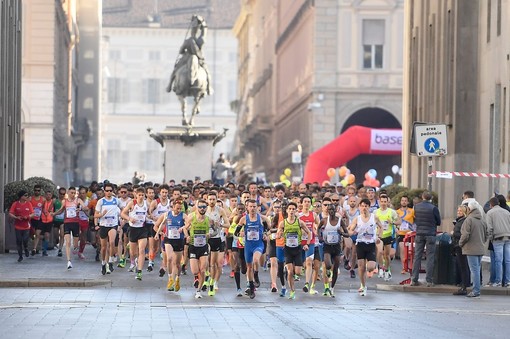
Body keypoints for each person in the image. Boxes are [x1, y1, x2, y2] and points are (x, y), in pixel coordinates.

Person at [167, 15, 212, 95]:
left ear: (191, 31)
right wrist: (202, 21)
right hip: (199, 59)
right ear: (198, 30)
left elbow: (181, 51)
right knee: (207, 72)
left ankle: (170, 85)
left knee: (175, 70)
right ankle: (209, 88)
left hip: (186, 58)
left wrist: (185, 51)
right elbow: (204, 31)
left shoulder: (187, 41)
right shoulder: (200, 40)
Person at [276, 202, 312, 300]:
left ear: (296, 211)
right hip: (287, 249)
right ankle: (292, 291)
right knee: (290, 272)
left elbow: (309, 233)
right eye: (290, 209)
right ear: (287, 210)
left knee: (298, 272)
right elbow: (279, 234)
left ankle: (291, 270)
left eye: (293, 209)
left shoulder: (299, 222)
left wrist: (307, 244)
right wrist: (278, 235)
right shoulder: (283, 223)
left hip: (298, 249)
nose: (291, 211)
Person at [348, 198, 383, 296]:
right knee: (361, 267)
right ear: (359, 207)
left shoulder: (374, 217)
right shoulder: (357, 219)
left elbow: (381, 227)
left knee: (370, 267)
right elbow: (350, 230)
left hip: (371, 244)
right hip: (360, 244)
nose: (364, 208)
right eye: (362, 206)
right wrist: (353, 232)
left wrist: (379, 237)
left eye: (366, 206)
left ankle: (373, 266)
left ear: (369, 207)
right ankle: (363, 286)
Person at [154, 198, 187, 292]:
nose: (179, 210)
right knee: (169, 259)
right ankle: (170, 278)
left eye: (180, 208)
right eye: (177, 208)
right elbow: (161, 224)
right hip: (168, 239)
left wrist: (183, 227)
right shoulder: (167, 214)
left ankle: (177, 278)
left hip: (179, 240)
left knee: (177, 263)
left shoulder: (183, 215)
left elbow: (189, 223)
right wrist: (158, 233)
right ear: (172, 207)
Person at [53, 187, 89, 269]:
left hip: (76, 223)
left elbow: (85, 208)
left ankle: (76, 247)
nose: (73, 194)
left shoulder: (78, 200)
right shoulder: (64, 201)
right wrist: (54, 214)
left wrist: (81, 208)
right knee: (68, 242)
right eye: (71, 193)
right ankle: (69, 261)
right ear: (68, 193)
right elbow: (62, 210)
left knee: (75, 244)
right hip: (67, 223)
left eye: (74, 193)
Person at [410, 191, 441, 287]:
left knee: (417, 256)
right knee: (430, 257)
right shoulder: (434, 208)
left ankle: (414, 279)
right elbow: (438, 222)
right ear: (430, 198)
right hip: (430, 234)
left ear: (422, 197)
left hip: (419, 233)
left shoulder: (416, 207)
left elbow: (414, 219)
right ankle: (429, 280)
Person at [183, 199, 212, 299]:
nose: (202, 209)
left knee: (203, 269)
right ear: (197, 207)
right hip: (193, 246)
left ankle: (198, 290)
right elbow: (184, 228)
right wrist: (187, 236)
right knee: (195, 271)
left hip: (203, 246)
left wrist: (210, 234)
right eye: (200, 207)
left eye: (204, 207)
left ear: (206, 208)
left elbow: (216, 230)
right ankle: (197, 278)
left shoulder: (209, 219)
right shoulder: (191, 217)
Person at [318, 203, 348, 297]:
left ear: (335, 211)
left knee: (335, 268)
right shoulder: (324, 220)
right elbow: (318, 228)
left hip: (337, 246)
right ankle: (327, 271)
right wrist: (320, 237)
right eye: (329, 209)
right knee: (327, 264)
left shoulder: (340, 221)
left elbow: (347, 234)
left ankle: (332, 288)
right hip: (327, 245)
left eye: (332, 210)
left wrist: (341, 233)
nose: (331, 211)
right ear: (327, 211)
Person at [459, 200, 488, 298]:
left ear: (469, 208)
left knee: (474, 270)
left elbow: (465, 235)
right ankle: (477, 289)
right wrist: (482, 241)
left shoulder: (469, 220)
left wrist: (460, 243)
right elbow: (486, 234)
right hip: (480, 248)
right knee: (477, 268)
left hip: (470, 248)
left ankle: (476, 290)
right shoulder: (482, 220)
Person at [121, 187, 149, 280]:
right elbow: (123, 213)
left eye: (142, 195)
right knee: (133, 253)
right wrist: (130, 219)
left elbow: (148, 213)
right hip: (133, 229)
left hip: (142, 229)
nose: (141, 197)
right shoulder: (132, 203)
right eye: (139, 195)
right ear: (136, 195)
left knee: (142, 250)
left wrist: (153, 218)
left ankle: (139, 271)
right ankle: (134, 260)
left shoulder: (146, 203)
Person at [94, 183, 120, 275]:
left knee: (112, 242)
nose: (109, 192)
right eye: (107, 191)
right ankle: (103, 263)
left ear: (113, 191)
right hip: (103, 225)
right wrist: (101, 214)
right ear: (104, 191)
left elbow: (123, 210)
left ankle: (110, 260)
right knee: (104, 247)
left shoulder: (116, 201)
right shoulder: (101, 201)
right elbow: (95, 215)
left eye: (110, 191)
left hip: (113, 225)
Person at [486, 196, 510, 287]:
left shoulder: (490, 213)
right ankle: (507, 281)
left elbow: (489, 228)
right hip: (508, 237)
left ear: (491, 204)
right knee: (508, 261)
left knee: (498, 261)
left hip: (497, 238)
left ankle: (498, 281)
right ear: (498, 203)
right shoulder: (507, 212)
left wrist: (490, 238)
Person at [9, 190, 34, 262]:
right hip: (18, 226)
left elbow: (33, 214)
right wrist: (16, 217)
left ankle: (26, 248)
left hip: (26, 226)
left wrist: (28, 216)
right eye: (25, 195)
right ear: (21, 197)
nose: (27, 197)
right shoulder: (15, 204)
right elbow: (10, 213)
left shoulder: (29, 204)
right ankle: (20, 256)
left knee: (25, 240)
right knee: (19, 241)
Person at [451, 205, 470, 295]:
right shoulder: (459, 220)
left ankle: (465, 284)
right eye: (458, 210)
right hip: (458, 245)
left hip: (460, 245)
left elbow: (463, 234)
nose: (458, 212)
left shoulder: (464, 221)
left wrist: (454, 234)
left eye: (460, 211)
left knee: (463, 266)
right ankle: (463, 283)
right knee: (462, 266)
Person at [29, 185, 44, 255]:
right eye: (35, 190)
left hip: (39, 219)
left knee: (37, 234)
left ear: (40, 191)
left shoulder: (43, 200)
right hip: (31, 219)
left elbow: (45, 209)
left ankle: (34, 249)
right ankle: (34, 241)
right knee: (31, 234)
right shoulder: (30, 199)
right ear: (33, 191)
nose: (37, 192)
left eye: (38, 190)